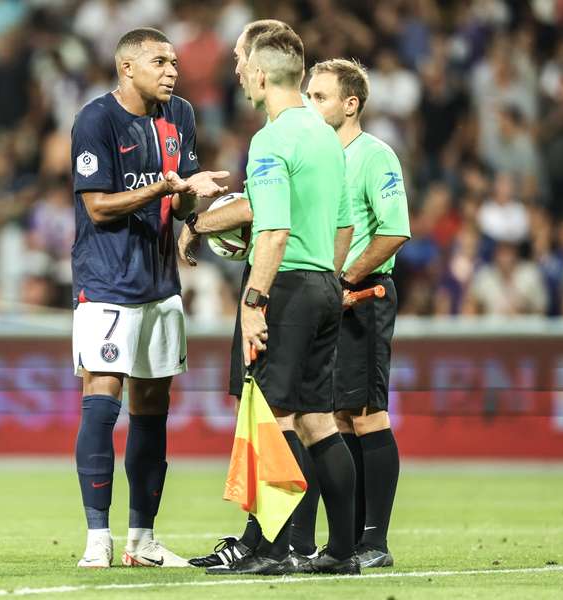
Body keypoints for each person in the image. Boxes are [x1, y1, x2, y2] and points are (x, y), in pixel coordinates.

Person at [69, 27, 229, 569]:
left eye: (175, 62)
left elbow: (181, 195)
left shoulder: (179, 115)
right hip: (108, 282)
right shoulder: (96, 120)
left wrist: (196, 211)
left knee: (153, 410)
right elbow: (97, 206)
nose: (171, 70)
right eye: (160, 61)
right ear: (127, 67)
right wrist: (165, 187)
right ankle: (98, 537)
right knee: (102, 397)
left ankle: (142, 538)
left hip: (161, 284)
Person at [202, 27, 358, 576]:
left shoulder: (270, 141)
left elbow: (270, 232)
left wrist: (253, 302)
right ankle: (341, 551)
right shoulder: (325, 137)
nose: (238, 70)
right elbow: (343, 224)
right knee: (318, 421)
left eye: (241, 60)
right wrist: (330, 281)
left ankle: (270, 549)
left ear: (262, 74)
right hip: (322, 283)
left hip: (285, 288)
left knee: (273, 418)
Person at [304, 58, 411, 568]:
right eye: (309, 95)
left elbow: (394, 231)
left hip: (363, 296)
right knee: (338, 418)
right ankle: (345, 540)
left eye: (321, 96)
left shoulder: (375, 157)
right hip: (329, 297)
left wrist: (345, 279)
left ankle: (374, 542)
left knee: (367, 414)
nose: (311, 103)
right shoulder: (321, 158)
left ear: (351, 104)